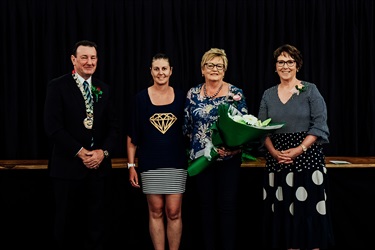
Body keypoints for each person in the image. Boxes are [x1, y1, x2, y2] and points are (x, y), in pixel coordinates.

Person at [44, 40, 120, 250]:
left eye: (93, 57)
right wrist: (81, 153)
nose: (89, 62)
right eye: (84, 57)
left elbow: (114, 128)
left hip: (99, 170)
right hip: (67, 171)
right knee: (66, 227)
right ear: (73, 59)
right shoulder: (57, 86)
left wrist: (102, 153)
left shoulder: (104, 88)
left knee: (97, 227)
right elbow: (52, 127)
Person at [258, 44, 334, 250]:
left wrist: (300, 149)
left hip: (307, 159)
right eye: (281, 62)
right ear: (275, 67)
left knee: (308, 211)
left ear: (297, 65)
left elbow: (319, 125)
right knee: (283, 214)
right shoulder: (268, 94)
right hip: (278, 161)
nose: (285, 66)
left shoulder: (310, 90)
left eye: (290, 62)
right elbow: (261, 129)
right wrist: (274, 152)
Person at [183, 48, 248, 250]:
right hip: (202, 160)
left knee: (227, 207)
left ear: (225, 69)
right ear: (202, 69)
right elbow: (186, 126)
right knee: (205, 207)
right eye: (210, 65)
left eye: (219, 65)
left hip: (228, 160)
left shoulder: (235, 93)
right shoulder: (193, 93)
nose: (214, 69)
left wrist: (231, 148)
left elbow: (245, 125)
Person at [126, 53, 188, 250]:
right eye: (156, 69)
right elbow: (132, 137)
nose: (160, 73)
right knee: (156, 211)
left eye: (164, 69)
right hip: (150, 163)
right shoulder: (140, 99)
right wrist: (131, 165)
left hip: (176, 162)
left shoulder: (181, 97)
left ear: (171, 71)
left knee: (174, 211)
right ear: (151, 72)